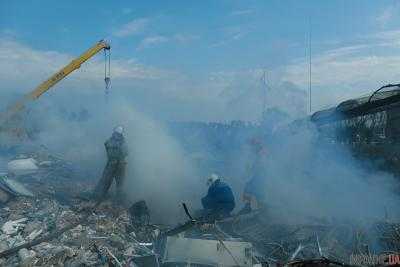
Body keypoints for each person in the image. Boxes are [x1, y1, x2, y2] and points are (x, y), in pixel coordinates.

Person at [94, 126, 128, 201]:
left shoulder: (122, 142)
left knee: (118, 183)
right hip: (114, 164)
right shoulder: (113, 141)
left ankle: (117, 199)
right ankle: (100, 196)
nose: (116, 135)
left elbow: (125, 152)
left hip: (118, 164)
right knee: (107, 180)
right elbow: (107, 145)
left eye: (117, 134)